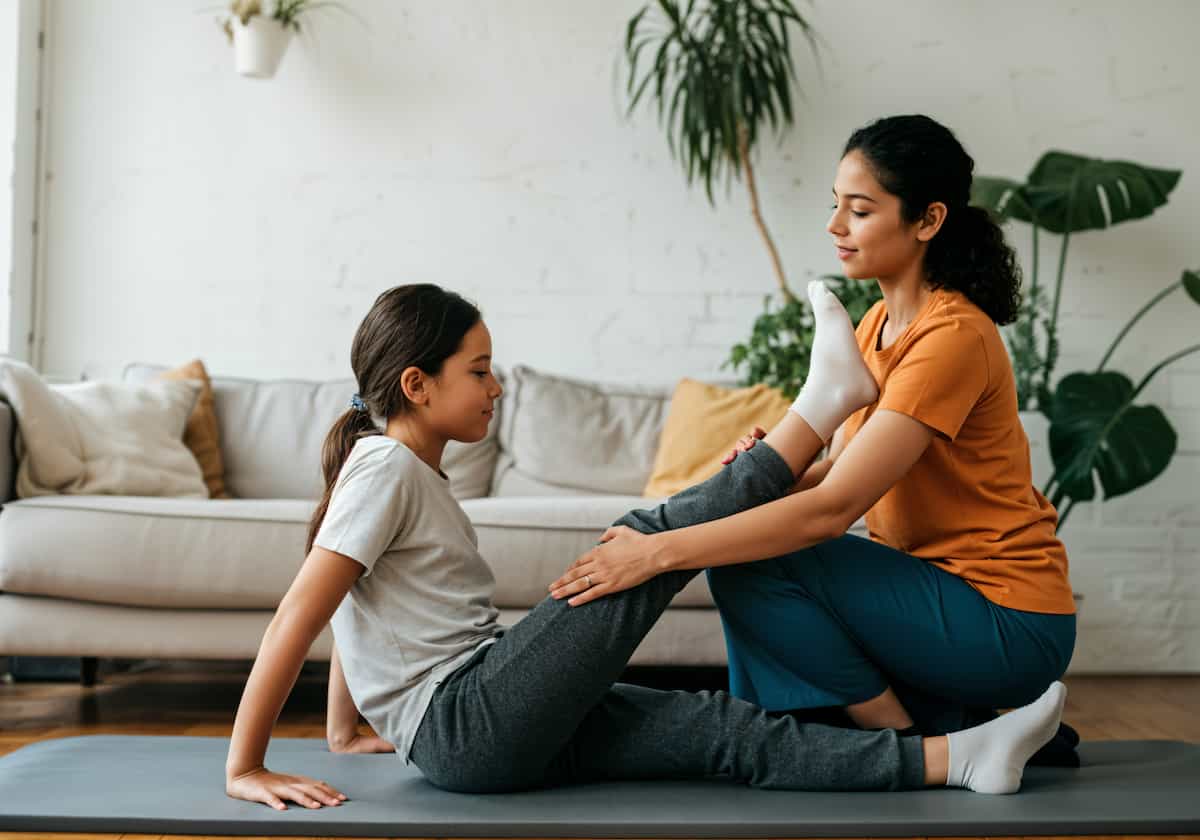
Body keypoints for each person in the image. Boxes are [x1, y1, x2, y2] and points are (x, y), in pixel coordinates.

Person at [224, 283, 1068, 810]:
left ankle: (957, 760)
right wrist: (246, 766)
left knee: (724, 732)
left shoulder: (407, 474)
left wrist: (350, 726)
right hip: (468, 719)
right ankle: (821, 405)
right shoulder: (386, 469)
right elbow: (304, 609)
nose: (497, 384)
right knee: (652, 540)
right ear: (418, 383)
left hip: (478, 724)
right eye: (479, 370)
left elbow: (359, 603)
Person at [548, 114, 1079, 765]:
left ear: (928, 220)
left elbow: (833, 513)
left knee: (757, 561)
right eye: (836, 206)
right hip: (933, 596)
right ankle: (943, 727)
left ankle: (906, 743)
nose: (834, 227)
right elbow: (836, 471)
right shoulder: (878, 323)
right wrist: (762, 478)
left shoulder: (953, 338)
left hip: (1008, 619)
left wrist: (659, 553)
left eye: (858, 211)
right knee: (750, 531)